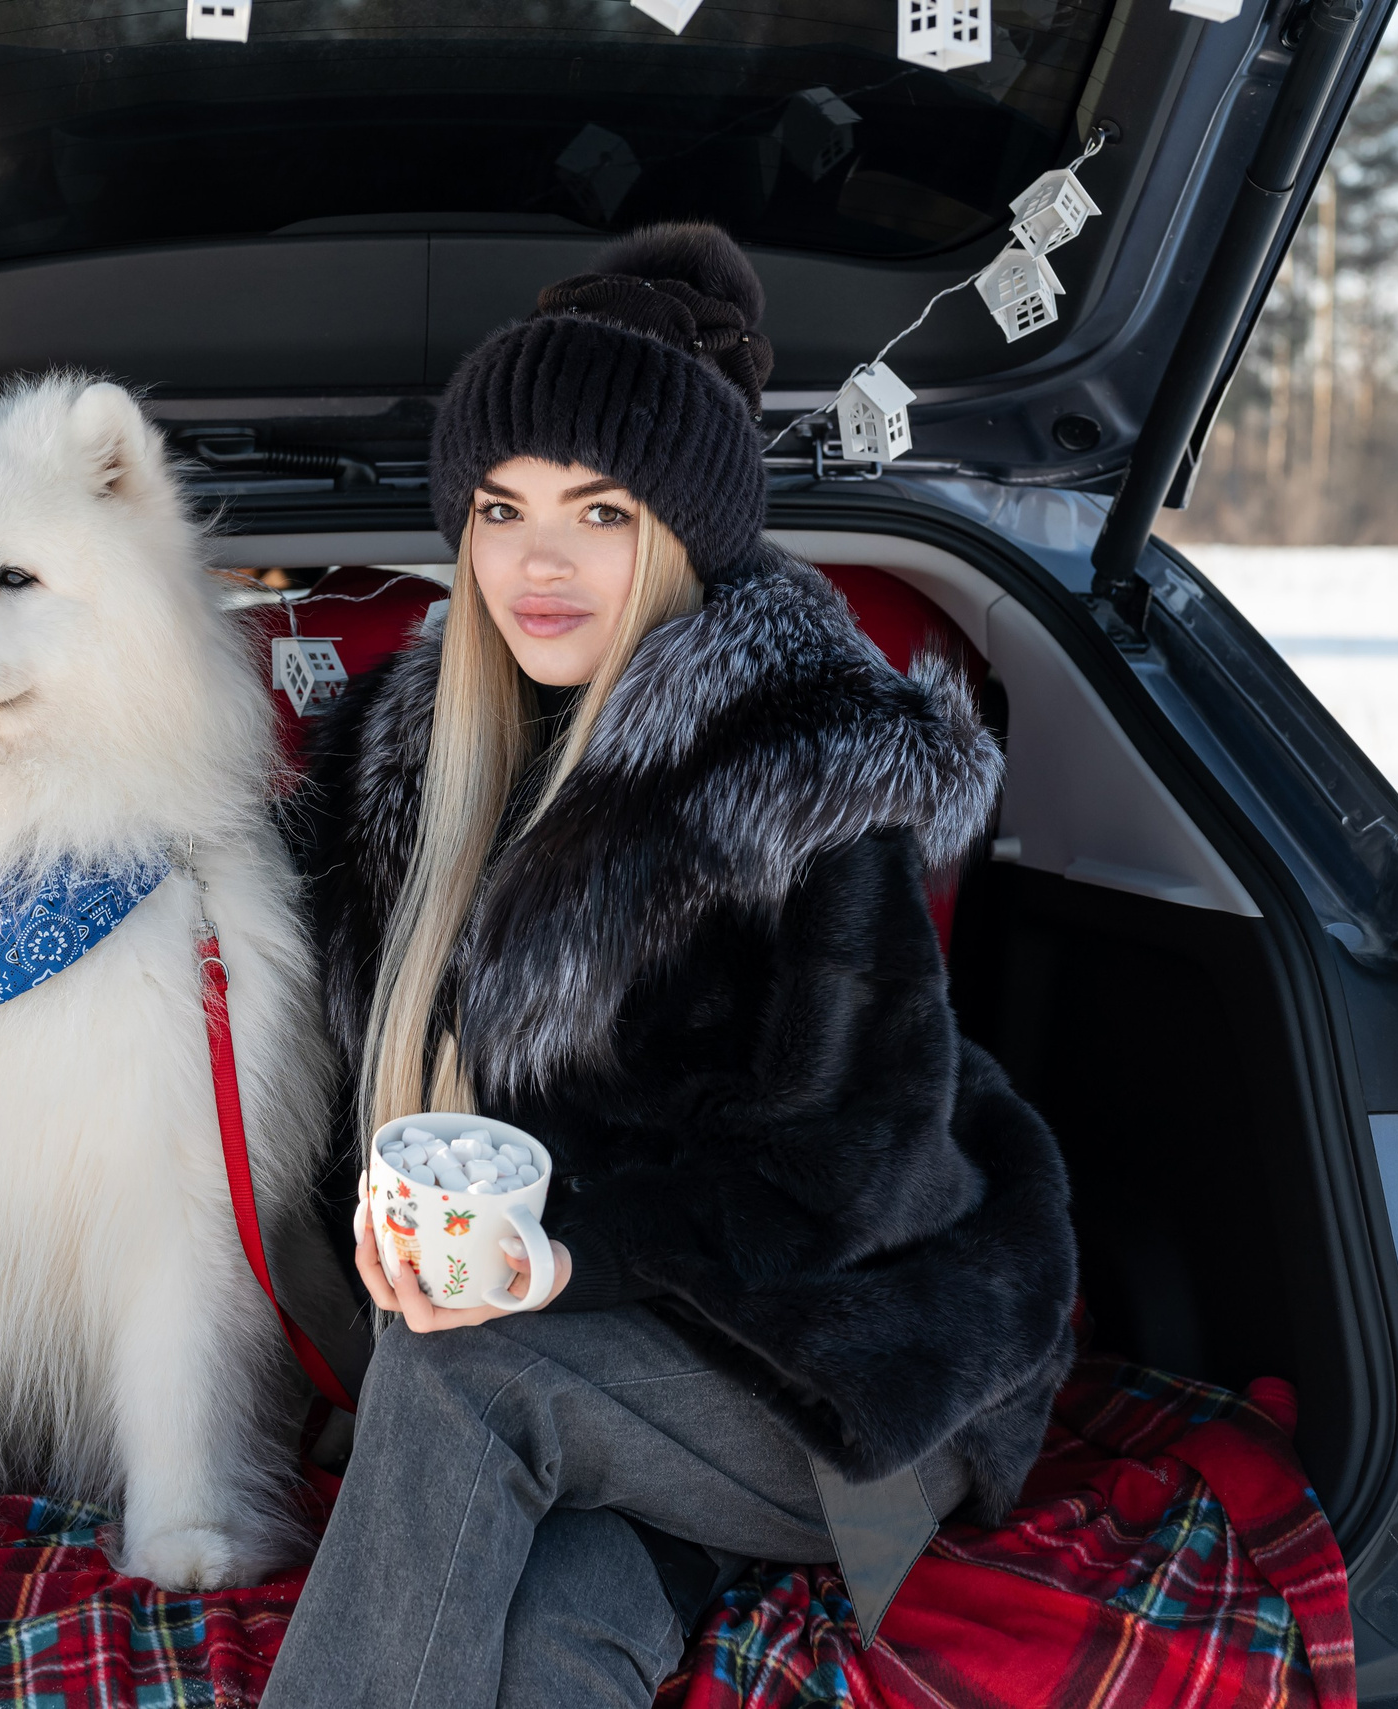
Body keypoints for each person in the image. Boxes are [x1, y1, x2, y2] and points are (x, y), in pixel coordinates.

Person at [263, 225, 1078, 1709]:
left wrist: (569, 1258)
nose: (541, 560)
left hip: (853, 1372)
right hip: (618, 1372)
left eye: (603, 510)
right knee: (550, 1647)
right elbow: (372, 1106)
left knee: (466, 1379)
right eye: (502, 508)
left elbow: (857, 1169)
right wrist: (391, 1242)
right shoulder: (414, 774)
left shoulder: (799, 766)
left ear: (684, 531)